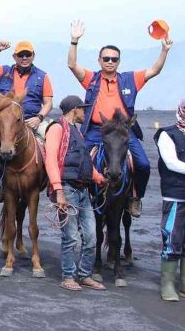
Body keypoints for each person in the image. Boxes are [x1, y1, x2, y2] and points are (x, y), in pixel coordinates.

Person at [68, 20, 173, 217]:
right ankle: (79, 196)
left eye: (114, 59)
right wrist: (74, 41)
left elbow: (154, 70)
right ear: (99, 60)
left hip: (124, 131)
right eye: (106, 58)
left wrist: (164, 51)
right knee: (77, 160)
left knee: (142, 163)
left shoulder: (129, 79)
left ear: (119, 62)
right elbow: (72, 65)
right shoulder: (92, 78)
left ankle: (135, 197)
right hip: (96, 130)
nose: (110, 62)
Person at [45, 95, 108, 292]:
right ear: (74, 109)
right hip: (67, 189)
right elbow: (51, 161)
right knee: (70, 236)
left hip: (82, 190)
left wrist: (98, 178)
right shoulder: (57, 128)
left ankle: (85, 275)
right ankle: (68, 276)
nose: (85, 112)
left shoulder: (77, 132)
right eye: (82, 109)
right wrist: (58, 191)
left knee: (91, 236)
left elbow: (85, 163)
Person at [0, 40, 53, 203]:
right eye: (21, 54)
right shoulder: (5, 71)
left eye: (28, 54)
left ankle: (52, 182)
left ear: (33, 56)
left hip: (32, 119)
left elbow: (48, 103)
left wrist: (39, 118)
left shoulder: (42, 76)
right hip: (8, 121)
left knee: (52, 141)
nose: (24, 57)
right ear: (15, 56)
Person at [153, 99, 185, 301]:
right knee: (172, 238)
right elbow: (171, 163)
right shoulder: (167, 134)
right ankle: (168, 285)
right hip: (175, 195)